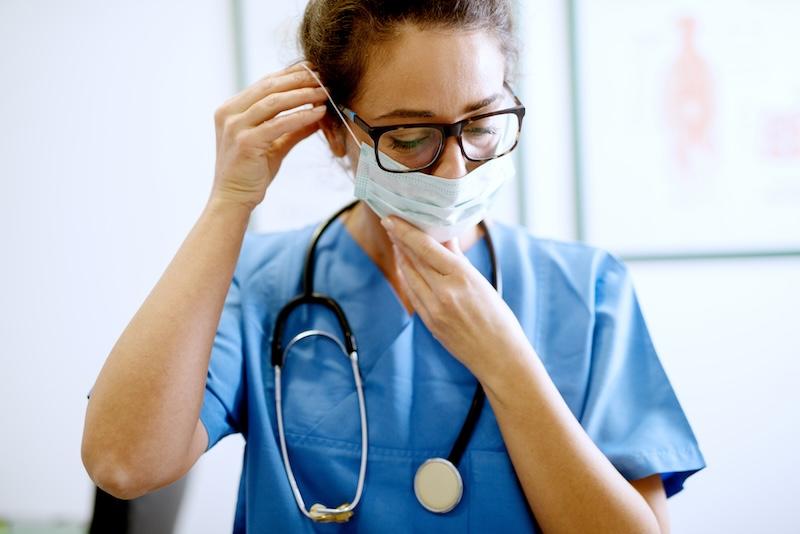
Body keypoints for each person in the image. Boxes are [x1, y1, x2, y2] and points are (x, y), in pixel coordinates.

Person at [81, 1, 705, 532]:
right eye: (409, 137)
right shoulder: (259, 282)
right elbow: (123, 464)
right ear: (335, 131)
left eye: (484, 123)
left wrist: (505, 363)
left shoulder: (586, 291)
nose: (456, 169)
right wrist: (230, 201)